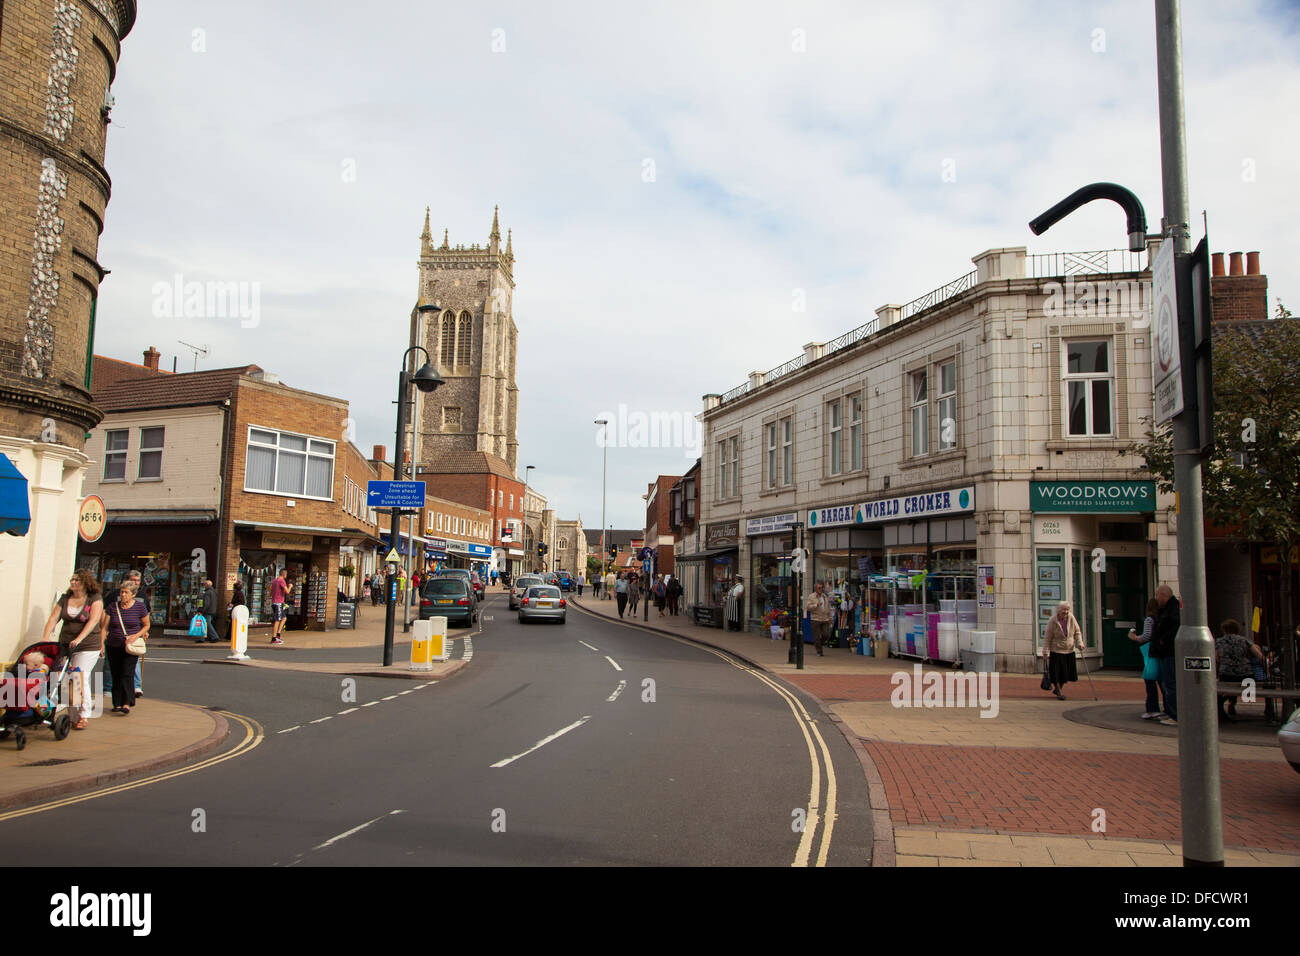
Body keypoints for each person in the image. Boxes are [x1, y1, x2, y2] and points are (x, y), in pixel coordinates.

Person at [39, 569, 103, 730]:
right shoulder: (65, 598)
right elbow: (53, 618)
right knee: (65, 679)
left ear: (85, 583)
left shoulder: (94, 599)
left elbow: (94, 620)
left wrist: (79, 638)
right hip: (66, 644)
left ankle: (84, 714)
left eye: (77, 580)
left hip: (88, 645)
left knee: (80, 676)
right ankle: (73, 716)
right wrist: (45, 638)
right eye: (72, 580)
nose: (73, 582)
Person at [101, 579, 148, 714]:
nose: (123, 595)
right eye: (121, 592)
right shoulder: (113, 607)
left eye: (126, 592)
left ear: (133, 594)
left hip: (130, 646)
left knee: (127, 674)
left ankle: (127, 703)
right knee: (115, 674)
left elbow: (146, 625)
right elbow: (104, 627)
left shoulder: (140, 607)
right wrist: (101, 644)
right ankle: (116, 703)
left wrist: (136, 635)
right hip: (113, 644)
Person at [1216, 619, 1263, 721]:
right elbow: (1259, 656)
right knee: (1239, 684)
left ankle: (1225, 709)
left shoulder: (1219, 642)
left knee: (1224, 688)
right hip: (1245, 674)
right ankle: (1233, 703)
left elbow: (1217, 658)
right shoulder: (1245, 640)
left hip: (1226, 674)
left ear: (1224, 630)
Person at [1148, 584, 1181, 725]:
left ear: (1164, 595)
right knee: (1166, 682)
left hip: (1169, 652)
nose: (1156, 598)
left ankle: (1175, 715)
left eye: (1157, 595)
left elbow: (1174, 627)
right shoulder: (1169, 609)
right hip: (1165, 652)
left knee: (1170, 683)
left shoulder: (1173, 610)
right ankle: (1169, 711)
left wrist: (1162, 640)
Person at [1128, 598, 1164, 719]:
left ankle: (1152, 708)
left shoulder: (1150, 619)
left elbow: (1146, 636)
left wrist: (1134, 637)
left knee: (1149, 679)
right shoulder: (1163, 618)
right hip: (1163, 653)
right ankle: (1168, 708)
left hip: (1152, 652)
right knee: (1163, 681)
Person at [1041, 600, 1084, 700]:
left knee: (1066, 674)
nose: (1066, 612)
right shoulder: (1053, 621)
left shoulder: (1071, 618)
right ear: (1059, 610)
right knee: (1057, 673)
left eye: (1067, 610)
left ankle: (1058, 689)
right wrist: (1045, 651)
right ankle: (1059, 691)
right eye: (1064, 610)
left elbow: (1077, 632)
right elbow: (1048, 637)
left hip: (1069, 650)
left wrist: (1080, 643)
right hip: (1057, 650)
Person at [804, 581, 830, 654]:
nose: (820, 589)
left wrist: (830, 617)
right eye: (819, 588)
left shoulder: (824, 596)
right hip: (815, 619)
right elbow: (808, 607)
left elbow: (828, 607)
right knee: (816, 636)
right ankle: (819, 651)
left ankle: (819, 644)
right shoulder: (811, 596)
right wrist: (816, 605)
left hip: (825, 618)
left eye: (822, 588)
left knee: (826, 635)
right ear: (815, 588)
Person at [269, 568, 292, 645]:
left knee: (284, 618)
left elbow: (270, 593)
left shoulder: (274, 581)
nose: (286, 575)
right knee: (277, 620)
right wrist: (290, 586)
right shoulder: (281, 581)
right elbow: (287, 592)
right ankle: (274, 638)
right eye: (286, 574)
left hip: (275, 602)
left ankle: (278, 634)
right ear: (284, 574)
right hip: (278, 603)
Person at [197, 578, 219, 643]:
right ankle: (202, 638)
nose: (204, 586)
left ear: (207, 585)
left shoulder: (207, 593)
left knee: (207, 624)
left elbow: (206, 603)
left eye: (205, 584)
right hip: (212, 611)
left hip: (207, 611)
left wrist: (201, 611)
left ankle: (215, 637)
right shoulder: (214, 592)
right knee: (204, 624)